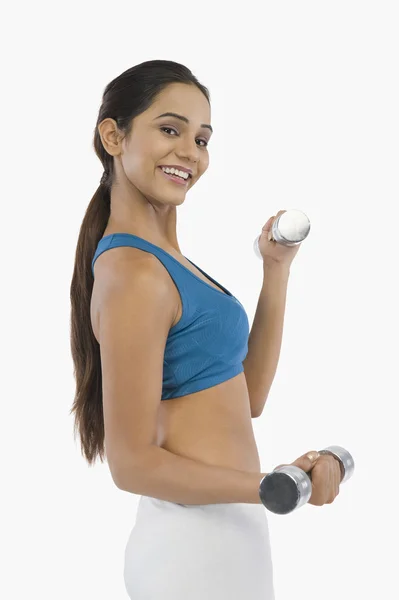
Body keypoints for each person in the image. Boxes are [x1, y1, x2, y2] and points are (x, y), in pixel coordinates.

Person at [69, 59, 342, 600]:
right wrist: (272, 486)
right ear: (113, 136)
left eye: (202, 138)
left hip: (230, 536)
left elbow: (251, 397)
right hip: (189, 546)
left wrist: (275, 269)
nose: (190, 152)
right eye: (170, 129)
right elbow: (132, 463)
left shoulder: (171, 263)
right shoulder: (132, 272)